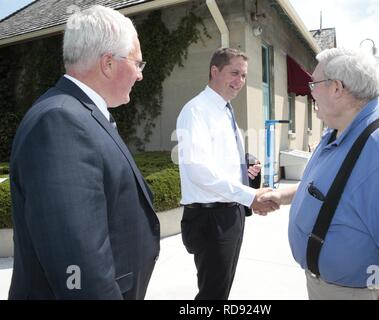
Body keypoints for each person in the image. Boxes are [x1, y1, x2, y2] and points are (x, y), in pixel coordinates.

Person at [261, 47, 379, 300]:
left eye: (314, 84)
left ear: (336, 88)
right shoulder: (338, 131)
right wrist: (283, 195)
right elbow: (326, 187)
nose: (310, 92)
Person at [8, 5, 160, 299]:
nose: (140, 75)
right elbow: (76, 260)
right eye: (138, 64)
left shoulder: (79, 114)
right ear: (109, 63)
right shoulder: (60, 122)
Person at [176, 48, 278, 300]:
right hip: (210, 219)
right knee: (213, 294)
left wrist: (244, 167)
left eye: (243, 75)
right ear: (214, 71)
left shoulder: (225, 110)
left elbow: (218, 158)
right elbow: (198, 169)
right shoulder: (195, 111)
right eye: (234, 73)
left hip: (230, 213)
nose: (240, 81)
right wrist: (249, 195)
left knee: (221, 291)